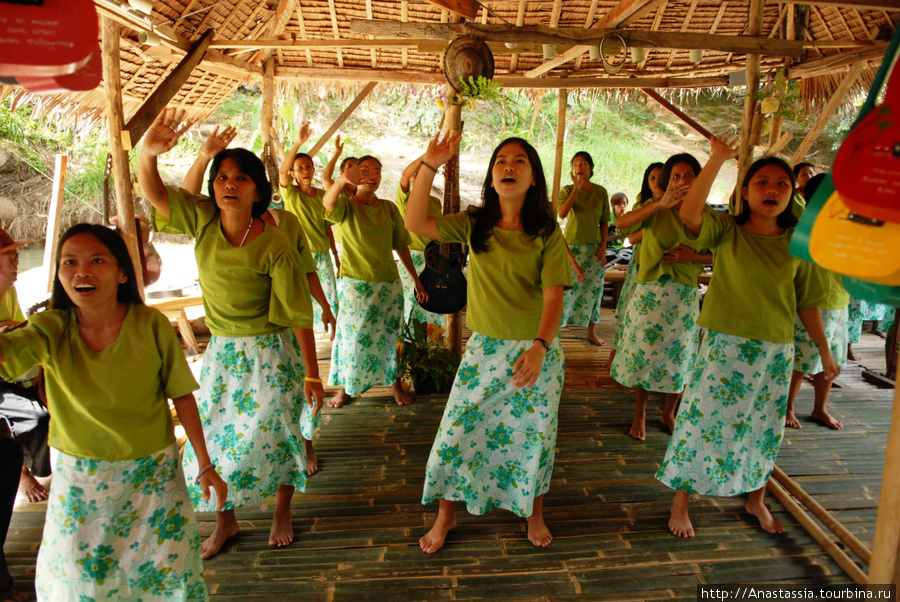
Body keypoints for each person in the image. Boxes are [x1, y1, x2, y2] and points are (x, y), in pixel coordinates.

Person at [0, 223, 227, 599]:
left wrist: (204, 464)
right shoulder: (50, 328)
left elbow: (182, 397)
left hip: (153, 479)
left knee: (165, 577)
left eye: (97, 260)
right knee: (76, 583)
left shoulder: (150, 325)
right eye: (69, 262)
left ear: (122, 272)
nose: (81, 271)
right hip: (80, 481)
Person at [138, 107, 325, 559]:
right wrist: (148, 152)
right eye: (222, 177)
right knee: (218, 441)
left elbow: (298, 313)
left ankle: (282, 512)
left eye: (241, 179)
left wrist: (313, 374)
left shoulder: (276, 243)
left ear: (259, 190)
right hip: (223, 352)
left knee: (279, 431)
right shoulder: (203, 219)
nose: (229, 185)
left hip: (272, 350)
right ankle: (226, 521)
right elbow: (156, 193)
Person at [657, 138, 838, 538]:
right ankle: (681, 501)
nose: (771, 190)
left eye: (781, 184)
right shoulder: (726, 231)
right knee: (702, 421)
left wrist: (824, 350)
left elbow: (806, 302)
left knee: (763, 426)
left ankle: (756, 498)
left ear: (792, 194)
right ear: (745, 192)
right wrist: (718, 158)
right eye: (761, 182)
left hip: (775, 350)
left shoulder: (798, 242)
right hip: (725, 345)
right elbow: (689, 213)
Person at [406, 132, 572, 554]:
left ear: (533, 177)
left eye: (519, 161)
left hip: (536, 352)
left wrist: (539, 346)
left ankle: (533, 512)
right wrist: (430, 164)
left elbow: (554, 294)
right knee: (456, 433)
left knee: (533, 437)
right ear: (492, 176)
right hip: (484, 352)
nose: (509, 167)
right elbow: (415, 222)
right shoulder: (474, 222)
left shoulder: (547, 232)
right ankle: (446, 513)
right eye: (501, 161)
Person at [610, 154, 710, 441]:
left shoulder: (705, 213)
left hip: (684, 295)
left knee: (679, 357)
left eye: (688, 175)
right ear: (667, 181)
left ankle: (669, 412)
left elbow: (726, 251)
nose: (682, 181)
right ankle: (640, 412)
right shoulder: (652, 207)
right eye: (675, 176)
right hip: (650, 293)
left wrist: (695, 257)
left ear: (698, 179)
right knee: (645, 355)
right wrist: (660, 204)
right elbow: (624, 226)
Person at [323, 154, 427, 408]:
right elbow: (328, 202)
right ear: (355, 175)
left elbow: (400, 246)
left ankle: (395, 385)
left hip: (389, 284)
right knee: (353, 337)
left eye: (377, 171)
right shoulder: (347, 205)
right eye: (365, 170)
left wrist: (416, 280)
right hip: (355, 285)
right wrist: (340, 181)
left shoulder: (389, 208)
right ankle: (346, 389)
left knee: (393, 337)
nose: (372, 175)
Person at [785, 173, 849, 430]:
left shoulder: (846, 226)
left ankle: (820, 408)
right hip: (810, 303)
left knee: (831, 361)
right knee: (800, 361)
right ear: (806, 198)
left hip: (839, 302)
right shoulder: (803, 228)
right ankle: (788, 407)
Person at [0, 230, 50, 504]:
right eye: (11, 255)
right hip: (3, 380)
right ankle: (21, 475)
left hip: (13, 372)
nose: (17, 261)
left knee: (51, 409)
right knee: (36, 419)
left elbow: (18, 328)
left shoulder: (10, 290)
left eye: (17, 255)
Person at [277, 122, 341, 333]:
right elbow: (282, 171)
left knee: (330, 299)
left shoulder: (323, 196)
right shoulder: (291, 193)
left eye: (308, 166)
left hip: (322, 254)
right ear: (294, 174)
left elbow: (326, 228)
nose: (305, 170)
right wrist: (298, 143)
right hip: (299, 254)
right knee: (302, 300)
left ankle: (332, 341)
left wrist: (336, 255)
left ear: (314, 169)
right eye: (300, 168)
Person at [607, 163, 663, 370]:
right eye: (652, 178)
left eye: (661, 177)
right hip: (641, 264)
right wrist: (652, 231)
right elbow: (627, 239)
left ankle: (643, 361)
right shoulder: (643, 207)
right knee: (628, 311)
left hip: (664, 267)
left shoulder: (681, 207)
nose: (657, 182)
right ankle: (615, 355)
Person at [557, 152, 609, 346]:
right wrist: (575, 191)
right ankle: (557, 332)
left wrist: (603, 247)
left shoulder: (601, 192)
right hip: (571, 249)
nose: (579, 167)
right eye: (575, 164)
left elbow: (604, 221)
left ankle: (591, 332)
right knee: (566, 291)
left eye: (584, 163)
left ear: (591, 167)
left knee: (595, 291)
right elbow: (561, 214)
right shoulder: (567, 189)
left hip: (594, 249)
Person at [396, 153, 446, 330]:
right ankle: (408, 343)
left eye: (425, 175)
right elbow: (404, 176)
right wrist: (428, 155)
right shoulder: (404, 199)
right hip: (411, 258)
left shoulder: (435, 202)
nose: (419, 179)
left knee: (433, 299)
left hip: (433, 258)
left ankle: (431, 342)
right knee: (411, 300)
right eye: (416, 175)